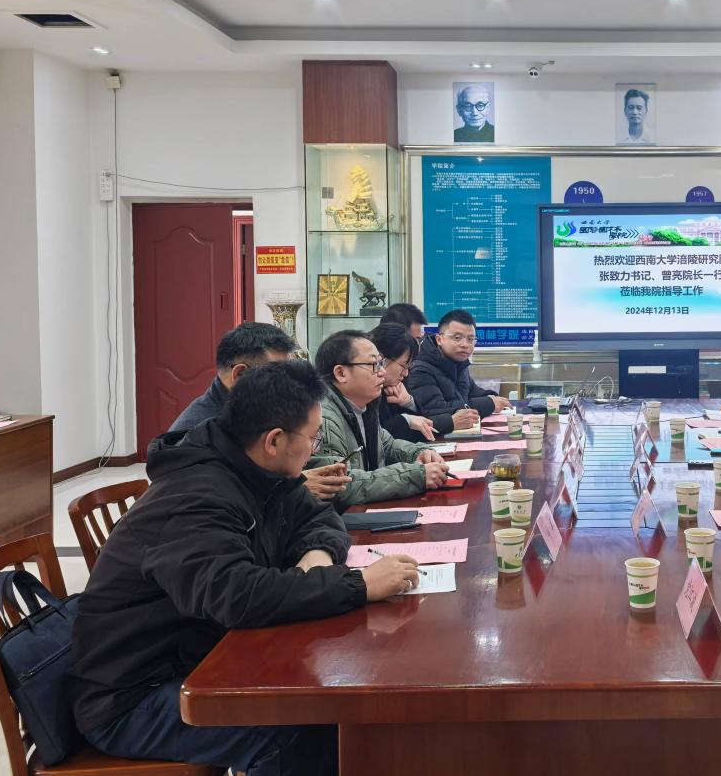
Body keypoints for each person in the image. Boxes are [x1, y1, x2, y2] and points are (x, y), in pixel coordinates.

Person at [69, 361, 421, 776]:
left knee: (328, 700)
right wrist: (358, 585)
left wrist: (318, 556)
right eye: (312, 438)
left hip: (204, 654)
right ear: (274, 440)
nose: (314, 449)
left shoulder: (256, 467)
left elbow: (319, 517)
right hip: (134, 696)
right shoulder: (194, 497)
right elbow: (237, 596)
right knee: (300, 728)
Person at [307, 330, 449, 509]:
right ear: (341, 373)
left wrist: (418, 453)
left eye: (381, 363)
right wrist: (416, 475)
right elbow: (341, 485)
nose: (382, 372)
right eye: (373, 365)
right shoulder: (323, 417)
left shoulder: (364, 406)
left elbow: (388, 446)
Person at [168, 321, 296, 432]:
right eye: (277, 376)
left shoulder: (247, 408)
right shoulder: (199, 436)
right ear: (240, 374)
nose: (287, 386)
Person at [406, 309, 509, 434]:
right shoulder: (420, 369)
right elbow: (436, 410)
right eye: (457, 338)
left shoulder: (458, 362)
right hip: (435, 439)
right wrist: (489, 403)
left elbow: (473, 392)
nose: (465, 344)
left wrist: (493, 398)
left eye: (470, 339)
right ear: (439, 339)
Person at [370, 322, 436, 443]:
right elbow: (375, 440)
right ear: (382, 359)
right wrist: (406, 420)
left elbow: (425, 432)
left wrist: (408, 403)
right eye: (403, 366)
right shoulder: (365, 391)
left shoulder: (395, 387)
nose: (405, 373)